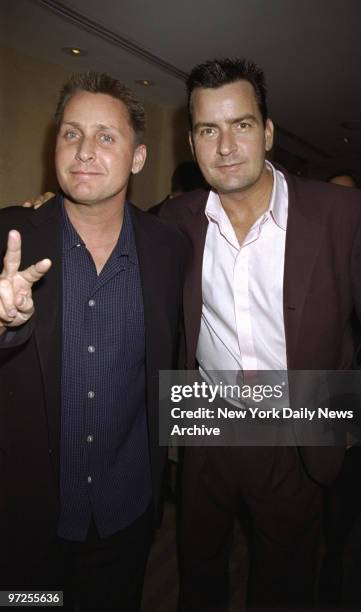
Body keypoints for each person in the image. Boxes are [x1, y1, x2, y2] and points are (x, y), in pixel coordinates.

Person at [158, 58, 361, 611]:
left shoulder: (342, 214)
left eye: (241, 125)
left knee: (285, 576)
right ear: (192, 141)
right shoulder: (173, 222)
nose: (225, 146)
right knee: (197, 565)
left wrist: (359, 414)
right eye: (208, 130)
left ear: (268, 131)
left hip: (299, 421)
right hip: (206, 416)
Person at [0, 72, 187, 611]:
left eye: (106, 137)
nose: (84, 151)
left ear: (138, 158)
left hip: (126, 515)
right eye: (71, 133)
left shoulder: (169, 250)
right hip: (26, 523)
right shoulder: (11, 235)